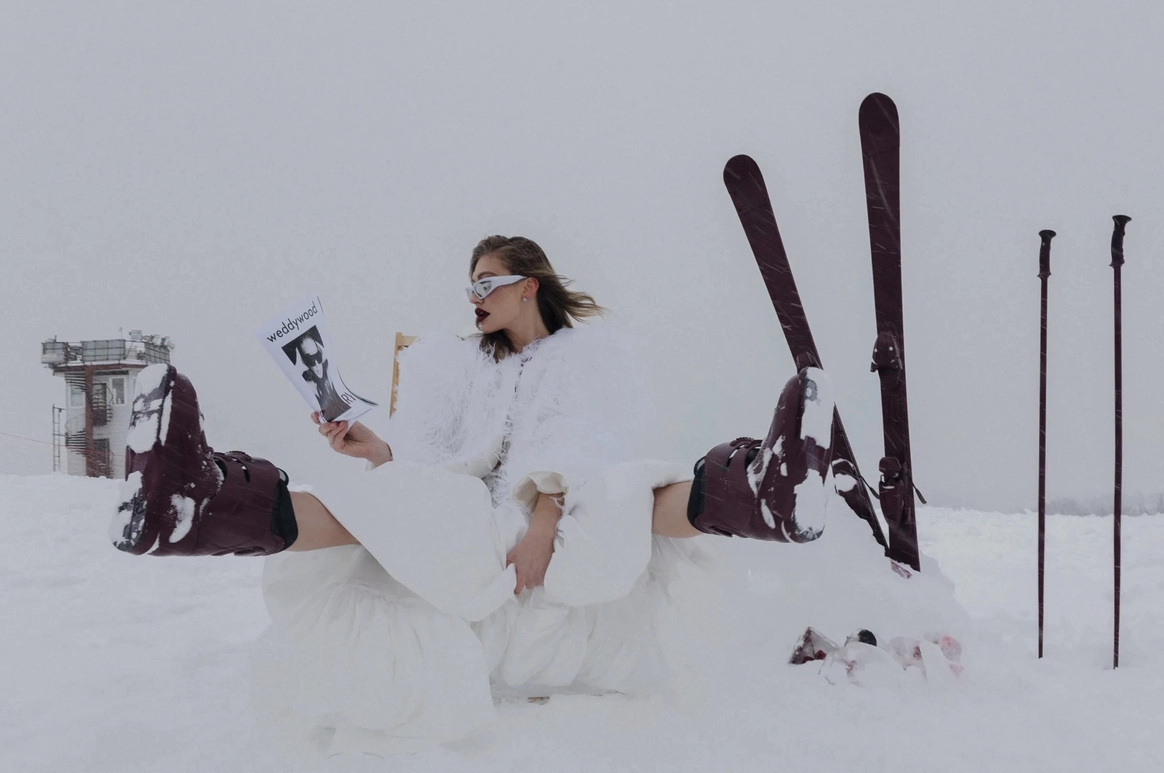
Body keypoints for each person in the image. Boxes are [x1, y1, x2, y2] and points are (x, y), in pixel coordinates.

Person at [110, 235, 835, 760]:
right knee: (402, 501)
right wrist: (379, 451)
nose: (473, 297)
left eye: (487, 282)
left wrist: (543, 519)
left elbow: (582, 450)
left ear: (529, 285)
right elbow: (438, 470)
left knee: (629, 486)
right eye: (469, 286)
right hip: (479, 529)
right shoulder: (461, 367)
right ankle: (201, 506)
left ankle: (764, 492)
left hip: (559, 523)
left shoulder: (587, 357)